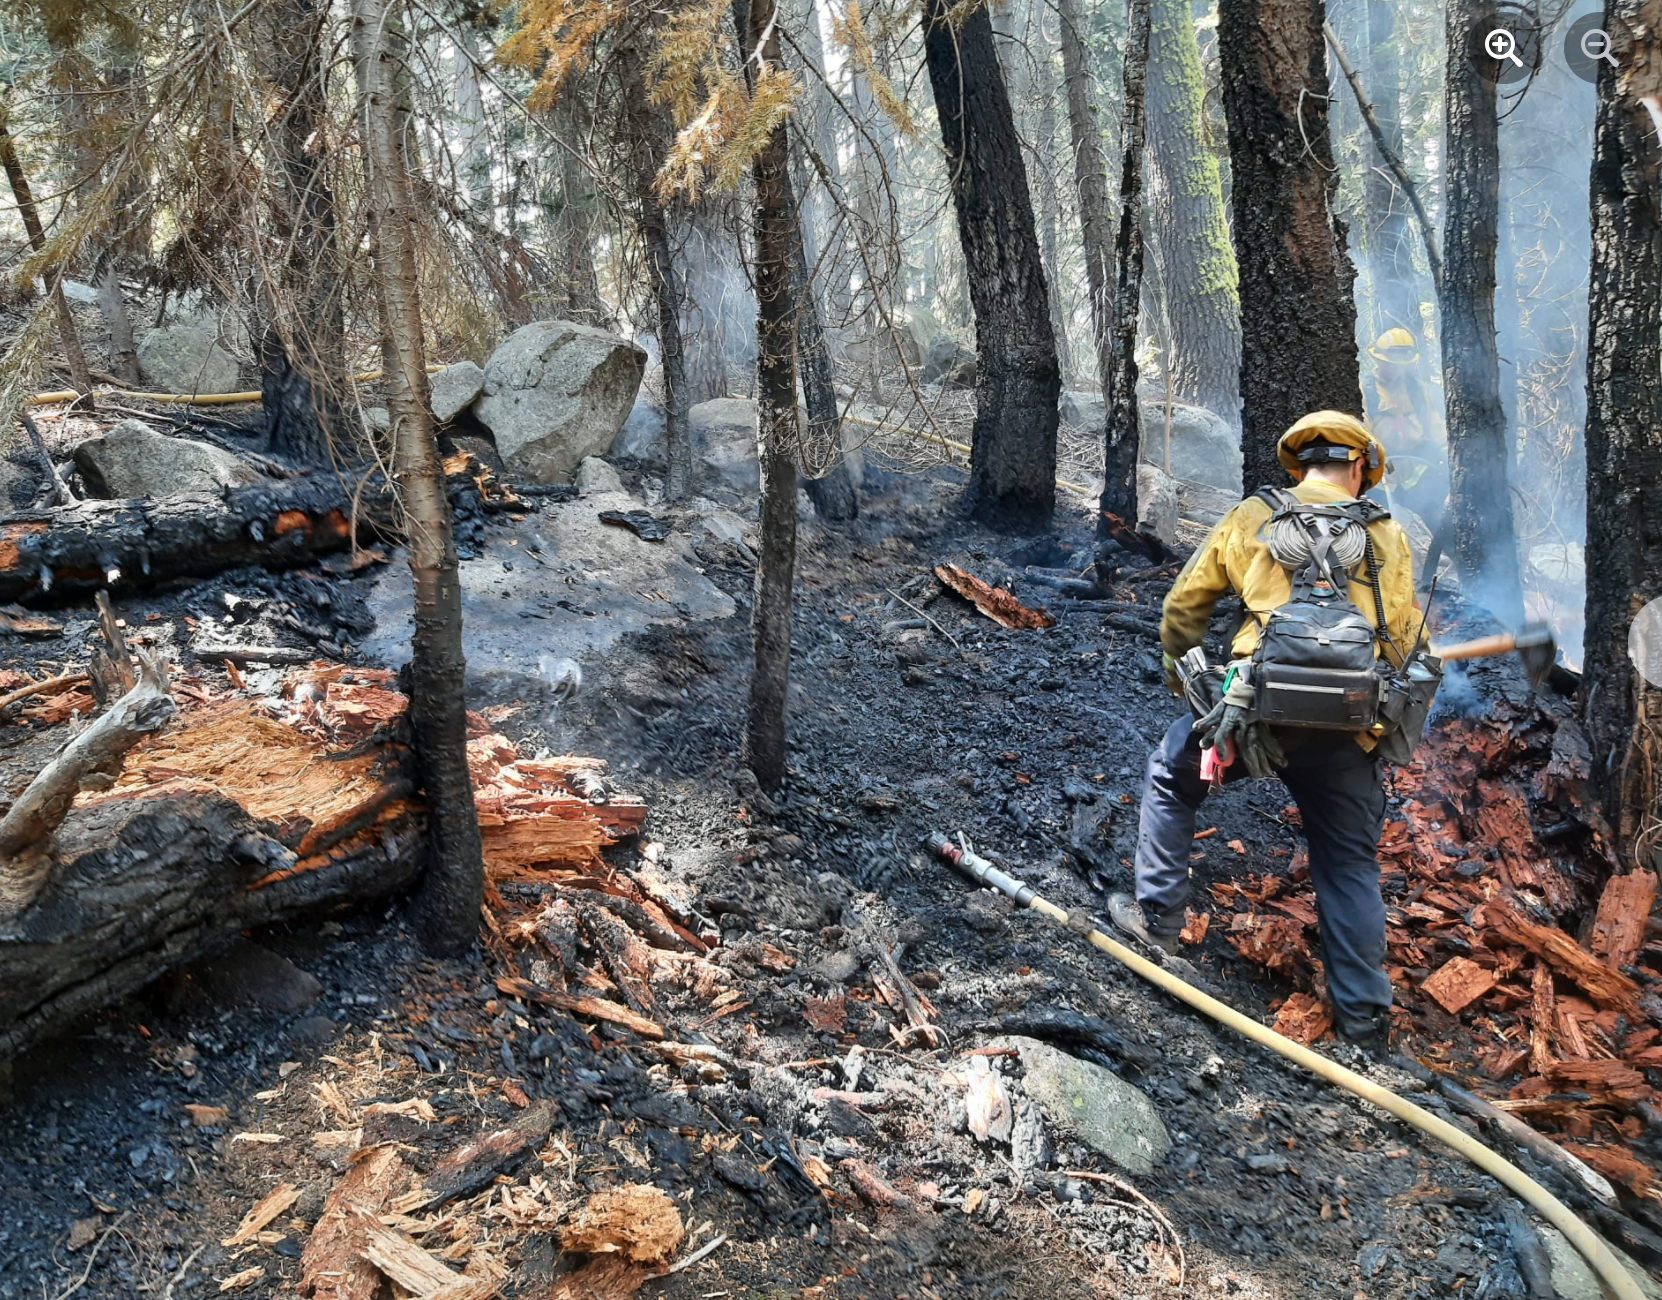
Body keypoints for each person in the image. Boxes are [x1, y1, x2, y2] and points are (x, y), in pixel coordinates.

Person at [1109, 411, 1425, 1053]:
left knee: (1174, 774)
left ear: (1298, 466)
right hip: (1348, 728)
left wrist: (1188, 681)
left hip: (1252, 715)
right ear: (1359, 468)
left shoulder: (1254, 516)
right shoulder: (1387, 534)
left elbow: (1182, 609)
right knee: (1347, 864)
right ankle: (1364, 1023)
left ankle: (1158, 922)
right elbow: (1404, 636)